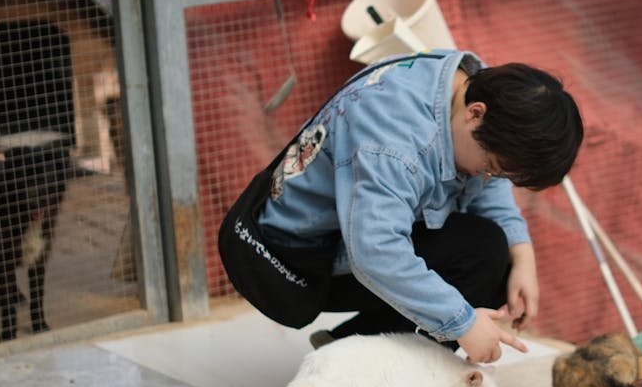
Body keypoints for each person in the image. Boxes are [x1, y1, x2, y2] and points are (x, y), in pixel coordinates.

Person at [218, 49, 583, 364]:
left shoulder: (473, 83)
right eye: (491, 167)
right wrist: (462, 324)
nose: (488, 178)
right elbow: (375, 252)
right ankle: (367, 372)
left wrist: (523, 254)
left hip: (350, 228)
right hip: (292, 257)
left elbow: (489, 184)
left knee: (497, 254)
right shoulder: (394, 142)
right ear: (475, 114)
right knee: (480, 256)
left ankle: (351, 349)